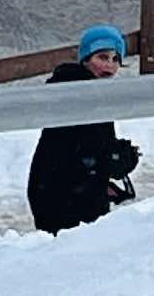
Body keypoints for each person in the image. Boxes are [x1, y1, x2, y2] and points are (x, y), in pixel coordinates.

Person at [26, 25, 143, 235]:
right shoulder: (78, 93)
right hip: (62, 199)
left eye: (116, 59)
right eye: (102, 57)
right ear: (86, 59)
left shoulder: (90, 91)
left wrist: (103, 181)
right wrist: (117, 159)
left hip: (68, 191)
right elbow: (83, 152)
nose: (110, 65)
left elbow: (90, 152)